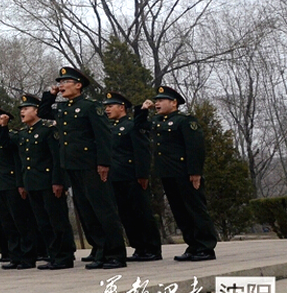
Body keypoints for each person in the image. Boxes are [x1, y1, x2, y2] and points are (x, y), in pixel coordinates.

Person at [38, 67, 127, 270]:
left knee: (104, 210)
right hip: (72, 166)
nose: (61, 85)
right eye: (59, 82)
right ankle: (101, 251)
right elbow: (43, 112)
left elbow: (103, 136)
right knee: (87, 212)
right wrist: (49, 95)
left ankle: (115, 254)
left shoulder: (90, 107)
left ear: (78, 85)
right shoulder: (62, 108)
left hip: (91, 165)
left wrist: (104, 163)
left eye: (65, 81)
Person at [140, 86, 218, 262]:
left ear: (174, 103)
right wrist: (143, 110)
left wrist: (195, 172)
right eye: (156, 101)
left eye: (161, 100)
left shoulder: (185, 121)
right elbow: (140, 125)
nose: (157, 103)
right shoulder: (158, 121)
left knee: (195, 209)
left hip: (185, 173)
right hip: (167, 173)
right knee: (180, 212)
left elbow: (195, 147)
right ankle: (193, 246)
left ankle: (205, 247)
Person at [102, 92, 162, 262]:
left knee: (141, 212)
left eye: (110, 106)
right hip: (115, 176)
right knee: (126, 215)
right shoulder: (109, 128)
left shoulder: (131, 125)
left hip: (132, 176)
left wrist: (142, 175)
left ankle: (152, 248)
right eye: (106, 106)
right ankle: (139, 247)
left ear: (122, 108)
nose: (107, 109)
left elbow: (142, 151)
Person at [17, 93, 75, 270]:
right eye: (21, 109)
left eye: (26, 108)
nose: (22, 112)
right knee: (43, 223)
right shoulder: (24, 134)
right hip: (33, 184)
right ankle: (53, 255)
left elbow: (56, 159)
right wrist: (23, 183)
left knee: (57, 220)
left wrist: (58, 181)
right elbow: (22, 162)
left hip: (49, 183)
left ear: (36, 110)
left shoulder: (48, 130)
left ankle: (64, 256)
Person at [0, 107, 39, 270]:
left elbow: (16, 159)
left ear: (3, 120)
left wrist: (20, 183)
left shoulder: (12, 136)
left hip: (12, 184)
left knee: (21, 222)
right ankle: (15, 256)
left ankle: (28, 256)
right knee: (7, 224)